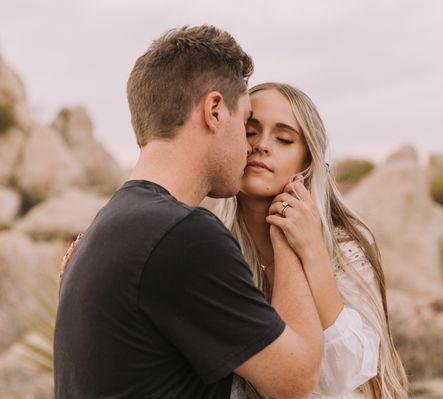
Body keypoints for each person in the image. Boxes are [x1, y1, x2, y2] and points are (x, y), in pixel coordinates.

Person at [53, 26, 324, 399]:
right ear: (214, 111)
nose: (250, 148)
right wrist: (283, 226)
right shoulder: (183, 235)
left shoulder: (107, 227)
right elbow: (296, 378)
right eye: (245, 124)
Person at [211, 83, 410, 398]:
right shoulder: (213, 246)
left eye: (284, 139)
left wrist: (313, 253)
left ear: (307, 162)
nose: (262, 145)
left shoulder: (346, 244)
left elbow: (347, 375)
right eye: (250, 131)